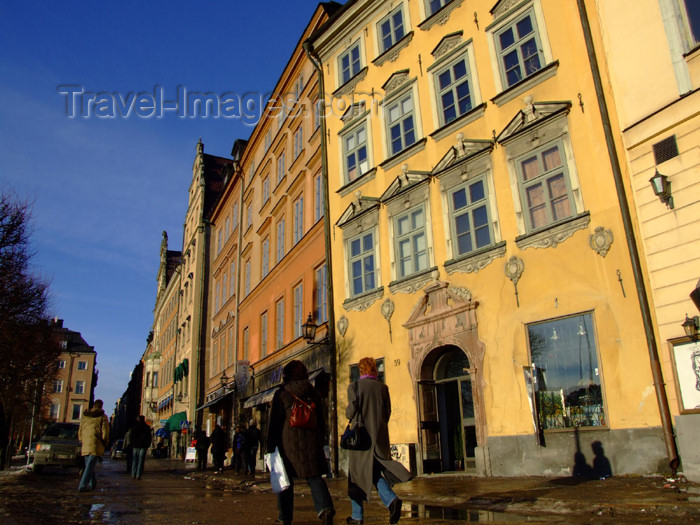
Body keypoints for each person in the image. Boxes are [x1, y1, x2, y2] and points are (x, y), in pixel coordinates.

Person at [266, 360, 334, 525]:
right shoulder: (313, 391)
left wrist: (270, 446)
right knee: (314, 477)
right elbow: (322, 419)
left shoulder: (282, 393)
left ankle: (285, 517)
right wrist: (321, 438)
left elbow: (275, 423)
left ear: (286, 375)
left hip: (288, 444)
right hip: (311, 442)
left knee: (285, 482)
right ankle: (325, 509)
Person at [346, 357, 412, 525]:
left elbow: (350, 413)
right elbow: (387, 413)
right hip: (379, 438)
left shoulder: (355, 387)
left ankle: (357, 516)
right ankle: (391, 501)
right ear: (374, 370)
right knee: (374, 473)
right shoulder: (383, 388)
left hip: (361, 440)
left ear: (361, 371)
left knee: (356, 476)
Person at [78, 399, 110, 492]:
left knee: (89, 464)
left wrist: (82, 439)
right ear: (101, 406)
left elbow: (80, 430)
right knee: (89, 466)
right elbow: (105, 432)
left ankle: (93, 483)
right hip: (96, 442)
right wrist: (105, 442)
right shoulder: (103, 417)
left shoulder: (85, 416)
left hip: (85, 442)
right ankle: (82, 485)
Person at [131, 415, 152, 480]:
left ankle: (133, 474)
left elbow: (131, 436)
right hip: (143, 445)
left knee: (134, 460)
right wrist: (148, 445)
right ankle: (138, 475)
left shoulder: (134, 427)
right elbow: (149, 437)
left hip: (135, 445)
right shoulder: (147, 427)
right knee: (141, 461)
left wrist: (132, 444)